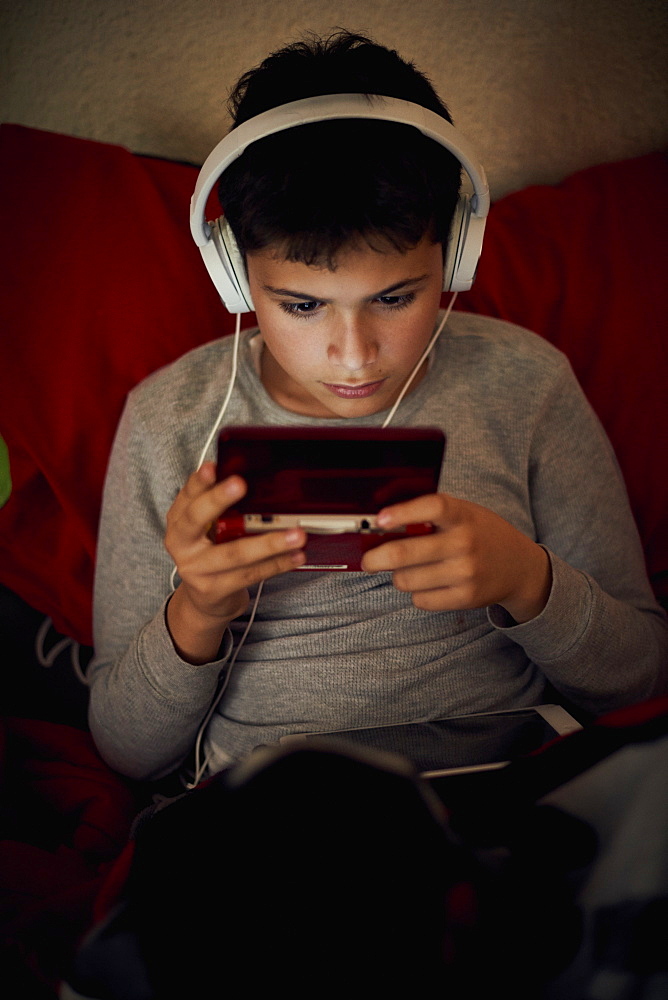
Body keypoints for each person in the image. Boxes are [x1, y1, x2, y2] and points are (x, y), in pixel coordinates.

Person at [88, 31, 668, 783]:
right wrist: (199, 609)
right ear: (235, 277)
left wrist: (527, 581)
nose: (356, 355)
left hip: (509, 794)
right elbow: (126, 750)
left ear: (455, 255)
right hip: (272, 814)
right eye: (300, 306)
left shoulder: (526, 382)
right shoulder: (169, 420)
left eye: (396, 297)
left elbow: (646, 682)